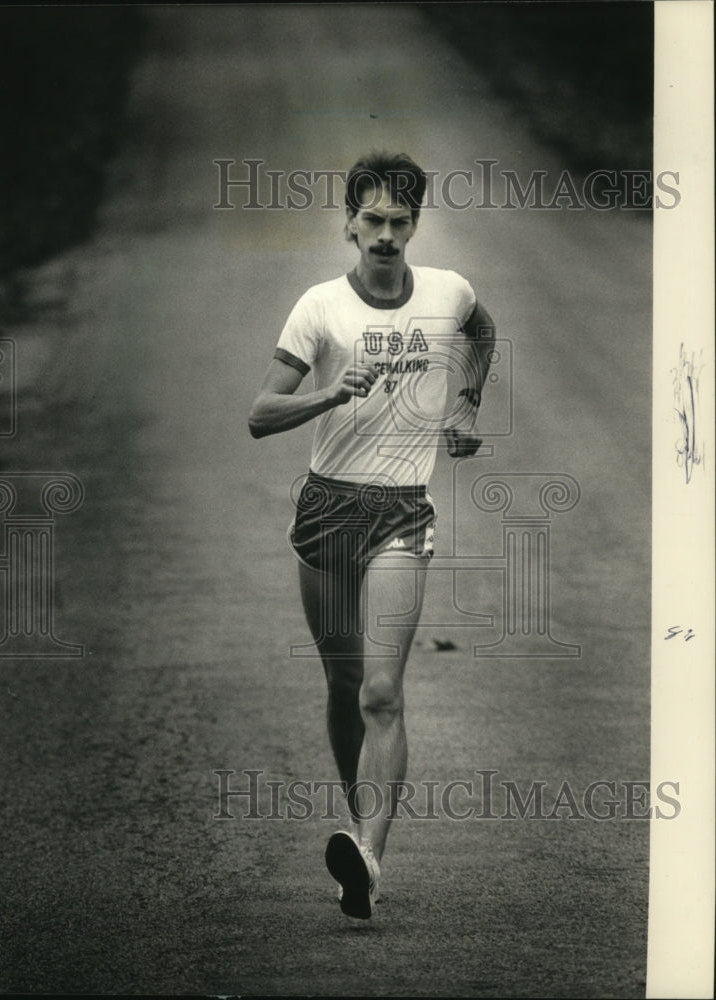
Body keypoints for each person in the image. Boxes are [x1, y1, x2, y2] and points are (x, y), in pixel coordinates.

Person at [249, 151, 495, 919]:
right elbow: (258, 415)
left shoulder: (450, 292)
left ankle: (367, 859)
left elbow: (481, 334)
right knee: (343, 686)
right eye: (372, 221)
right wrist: (328, 394)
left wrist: (466, 406)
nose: (385, 235)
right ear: (349, 224)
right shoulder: (319, 307)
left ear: (416, 222)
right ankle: (357, 835)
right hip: (326, 511)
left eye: (399, 220)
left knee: (383, 694)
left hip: (399, 513)